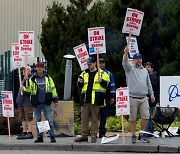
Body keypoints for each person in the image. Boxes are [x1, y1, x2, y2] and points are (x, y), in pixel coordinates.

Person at [122, 47, 155, 144]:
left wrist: (152, 94)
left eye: (140, 59)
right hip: (132, 97)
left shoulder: (145, 71)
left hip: (144, 97)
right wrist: (125, 53)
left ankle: (142, 134)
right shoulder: (129, 68)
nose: (139, 60)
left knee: (146, 116)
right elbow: (124, 62)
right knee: (132, 118)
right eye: (137, 59)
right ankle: (133, 135)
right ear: (133, 60)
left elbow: (148, 84)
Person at [74, 57, 110, 143]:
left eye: (90, 64)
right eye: (88, 64)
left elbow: (107, 85)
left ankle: (94, 135)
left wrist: (102, 81)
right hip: (85, 99)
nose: (89, 66)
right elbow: (79, 86)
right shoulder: (84, 73)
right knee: (84, 118)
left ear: (95, 63)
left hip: (96, 100)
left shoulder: (102, 73)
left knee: (94, 118)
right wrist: (80, 82)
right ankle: (84, 135)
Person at [23, 62, 58, 143]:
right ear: (36, 68)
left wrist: (55, 99)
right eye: (38, 67)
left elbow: (53, 89)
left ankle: (52, 136)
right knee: (38, 121)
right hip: (37, 103)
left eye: (41, 67)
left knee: (49, 120)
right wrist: (25, 86)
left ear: (43, 68)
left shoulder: (48, 78)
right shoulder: (32, 78)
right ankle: (40, 137)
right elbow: (29, 89)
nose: (39, 69)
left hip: (46, 102)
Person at [98, 58, 116, 138]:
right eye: (100, 63)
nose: (101, 64)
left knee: (104, 115)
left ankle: (102, 132)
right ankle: (94, 132)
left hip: (106, 97)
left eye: (102, 63)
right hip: (96, 97)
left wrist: (112, 97)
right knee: (95, 115)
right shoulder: (94, 73)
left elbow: (112, 85)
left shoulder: (109, 73)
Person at [16, 66, 33, 139]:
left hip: (27, 102)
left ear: (29, 71)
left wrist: (28, 81)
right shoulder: (22, 79)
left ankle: (30, 132)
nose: (24, 71)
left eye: (26, 70)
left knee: (28, 117)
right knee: (22, 117)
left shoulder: (31, 79)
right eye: (23, 70)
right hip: (21, 101)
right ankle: (24, 131)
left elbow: (31, 89)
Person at [144, 62, 159, 134]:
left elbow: (153, 87)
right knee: (148, 114)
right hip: (147, 98)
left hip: (150, 99)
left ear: (152, 69)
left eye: (148, 67)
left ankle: (149, 131)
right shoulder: (145, 76)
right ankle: (150, 129)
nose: (147, 68)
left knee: (148, 115)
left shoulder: (153, 77)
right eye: (146, 67)